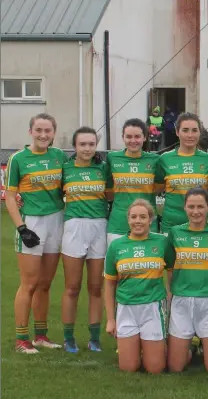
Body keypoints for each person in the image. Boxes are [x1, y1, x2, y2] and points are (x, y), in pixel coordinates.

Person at [5, 113, 67, 353]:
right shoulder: (18, 159)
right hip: (32, 222)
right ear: (30, 131)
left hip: (57, 220)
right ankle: (22, 339)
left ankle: (41, 336)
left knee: (45, 283)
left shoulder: (59, 156)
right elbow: (10, 197)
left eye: (48, 131)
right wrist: (22, 228)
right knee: (29, 283)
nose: (43, 135)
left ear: (53, 133)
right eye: (38, 130)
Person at [104, 199, 170, 373]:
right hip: (126, 308)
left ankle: (181, 349)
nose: (138, 221)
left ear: (151, 220)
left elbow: (172, 274)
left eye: (143, 217)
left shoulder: (162, 242)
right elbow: (109, 284)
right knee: (128, 367)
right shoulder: (116, 246)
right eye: (133, 217)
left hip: (153, 307)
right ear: (128, 220)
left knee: (155, 368)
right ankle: (138, 347)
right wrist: (111, 320)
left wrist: (170, 305)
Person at [166, 187, 208, 372]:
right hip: (181, 299)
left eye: (201, 206)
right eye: (191, 206)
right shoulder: (175, 232)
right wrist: (170, 293)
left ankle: (203, 343)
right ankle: (191, 346)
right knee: (176, 367)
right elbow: (170, 267)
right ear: (184, 208)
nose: (196, 211)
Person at [61, 127, 108, 353]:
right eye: (83, 144)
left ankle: (95, 338)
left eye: (91, 144)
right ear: (75, 146)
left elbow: (112, 194)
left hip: (99, 226)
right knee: (72, 287)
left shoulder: (103, 168)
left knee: (96, 287)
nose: (87, 148)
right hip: (73, 227)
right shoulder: (65, 168)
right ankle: (68, 337)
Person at [156, 112, 208, 236]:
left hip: (202, 225)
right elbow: (157, 188)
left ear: (200, 132)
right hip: (171, 225)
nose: (190, 135)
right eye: (185, 130)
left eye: (194, 130)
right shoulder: (164, 159)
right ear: (177, 132)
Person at [105, 118, 160, 248]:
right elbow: (108, 191)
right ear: (123, 137)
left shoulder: (155, 160)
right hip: (118, 223)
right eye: (128, 136)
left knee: (148, 266)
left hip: (148, 224)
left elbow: (160, 187)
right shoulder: (112, 158)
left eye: (137, 136)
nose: (133, 140)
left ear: (145, 137)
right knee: (117, 266)